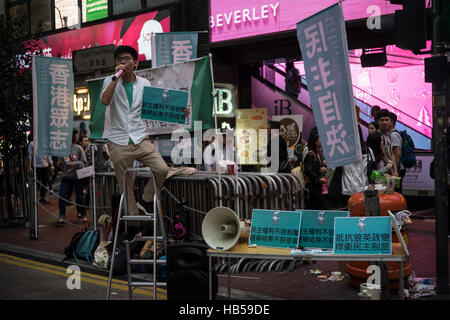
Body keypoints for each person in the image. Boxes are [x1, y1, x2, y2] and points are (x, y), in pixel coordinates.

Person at [101, 45, 187, 236]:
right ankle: (134, 226)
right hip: (118, 140)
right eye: (118, 60)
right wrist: (115, 79)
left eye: (126, 59)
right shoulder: (110, 80)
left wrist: (179, 110)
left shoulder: (144, 84)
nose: (122, 62)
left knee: (162, 168)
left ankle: (147, 198)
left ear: (135, 62)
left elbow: (156, 107)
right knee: (125, 185)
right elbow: (105, 101)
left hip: (140, 138)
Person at [57, 130, 88, 224]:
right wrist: (62, 163)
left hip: (77, 176)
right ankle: (61, 215)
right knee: (62, 195)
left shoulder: (78, 148)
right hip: (66, 176)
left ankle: (83, 214)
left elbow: (84, 163)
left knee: (80, 196)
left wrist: (73, 163)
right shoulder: (62, 149)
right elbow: (58, 163)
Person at [340, 125, 374, 207]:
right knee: (361, 214)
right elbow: (372, 167)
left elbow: (334, 169)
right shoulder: (368, 150)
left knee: (347, 214)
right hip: (363, 188)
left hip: (346, 188)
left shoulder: (341, 150)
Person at [376, 109, 405, 193]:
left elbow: (392, 153)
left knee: (390, 195)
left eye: (386, 120)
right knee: (381, 196)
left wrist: (395, 170)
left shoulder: (388, 135)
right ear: (378, 122)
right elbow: (382, 153)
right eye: (382, 120)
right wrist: (389, 165)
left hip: (389, 171)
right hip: (380, 172)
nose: (385, 122)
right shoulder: (377, 136)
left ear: (390, 121)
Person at [302, 129, 327, 209]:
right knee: (320, 208)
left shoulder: (316, 153)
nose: (322, 141)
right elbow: (307, 170)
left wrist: (319, 170)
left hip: (315, 187)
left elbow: (312, 168)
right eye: (320, 139)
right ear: (315, 141)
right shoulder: (310, 154)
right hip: (312, 187)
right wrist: (318, 178)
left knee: (313, 208)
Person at [27, 133, 54, 205]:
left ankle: (42, 198)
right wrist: (30, 166)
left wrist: (51, 165)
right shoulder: (32, 144)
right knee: (36, 182)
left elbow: (49, 154)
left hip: (45, 165)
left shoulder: (45, 143)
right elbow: (30, 155)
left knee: (45, 181)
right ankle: (34, 199)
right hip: (37, 166)